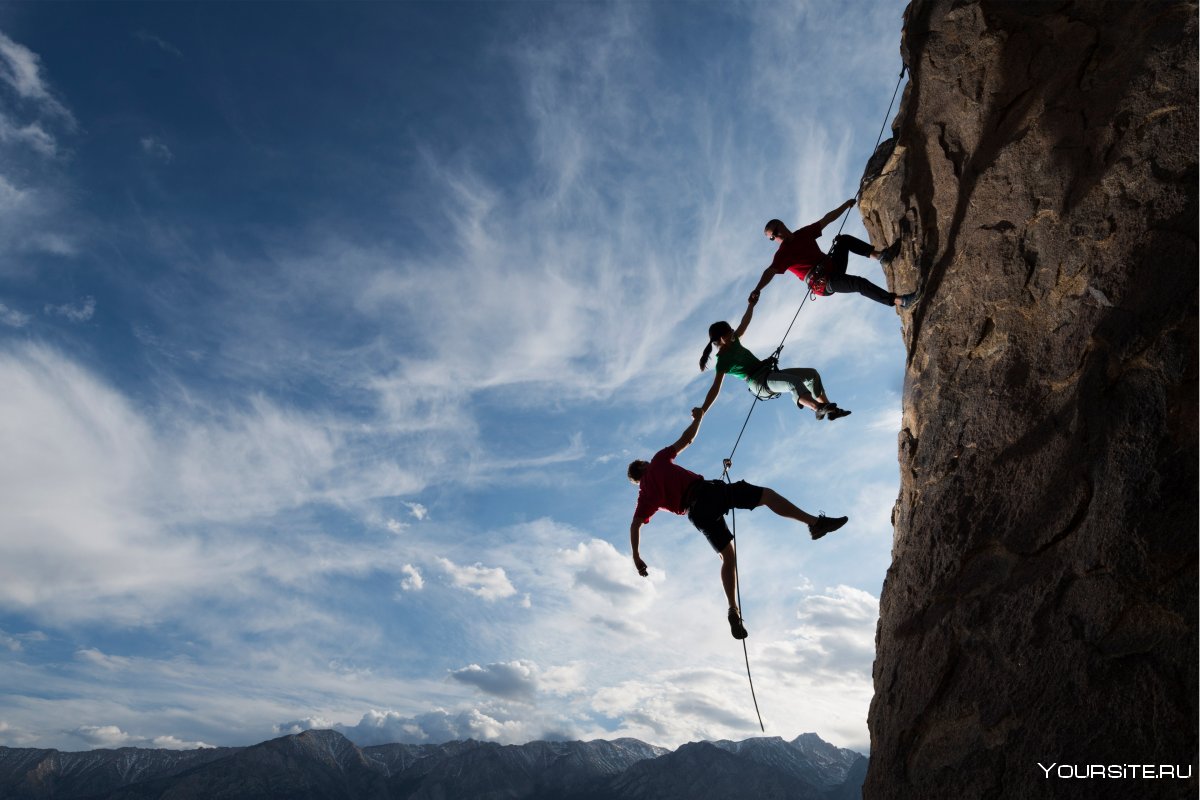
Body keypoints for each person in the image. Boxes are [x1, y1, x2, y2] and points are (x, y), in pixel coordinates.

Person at [627, 410, 848, 640]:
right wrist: (699, 418)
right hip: (707, 492)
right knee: (766, 496)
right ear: (643, 466)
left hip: (697, 514)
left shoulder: (644, 496)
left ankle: (733, 609)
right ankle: (814, 523)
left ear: (637, 481)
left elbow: (635, 525)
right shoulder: (657, 462)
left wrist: (636, 557)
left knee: (728, 558)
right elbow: (687, 439)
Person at [694, 292, 850, 421]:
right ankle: (817, 408)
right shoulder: (722, 362)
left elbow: (744, 323)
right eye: (730, 331)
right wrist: (703, 410)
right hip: (758, 382)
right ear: (722, 338)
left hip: (768, 373)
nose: (734, 331)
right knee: (793, 382)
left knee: (811, 375)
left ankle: (830, 410)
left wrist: (751, 305)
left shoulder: (733, 342)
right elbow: (715, 389)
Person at [749, 198, 920, 309]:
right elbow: (769, 272)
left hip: (833, 266)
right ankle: (901, 301)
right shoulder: (783, 254)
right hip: (824, 283)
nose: (776, 237)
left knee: (843, 240)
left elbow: (826, 219)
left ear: (782, 225)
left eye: (776, 232)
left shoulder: (802, 234)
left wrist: (845, 206)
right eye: (772, 238)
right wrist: (757, 289)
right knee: (859, 283)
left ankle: (881, 257)